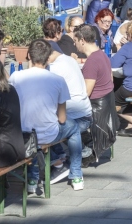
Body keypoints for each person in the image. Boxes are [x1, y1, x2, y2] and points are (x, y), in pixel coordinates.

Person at [9, 39, 85, 191]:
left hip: (23, 134)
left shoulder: (15, 77)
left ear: (29, 56)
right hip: (49, 134)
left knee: (32, 134)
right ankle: (76, 175)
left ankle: (32, 179)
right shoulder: (58, 80)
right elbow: (62, 118)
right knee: (74, 128)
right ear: (48, 57)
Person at [74, 25, 119, 163]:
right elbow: (110, 80)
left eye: (75, 40)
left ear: (82, 40)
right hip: (107, 106)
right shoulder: (102, 55)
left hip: (95, 109)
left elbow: (86, 92)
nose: (74, 44)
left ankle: (83, 153)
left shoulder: (92, 62)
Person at [47, 49, 93, 172]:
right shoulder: (69, 59)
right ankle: (64, 157)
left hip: (77, 117)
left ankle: (58, 162)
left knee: (45, 128)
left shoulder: (54, 68)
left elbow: (60, 116)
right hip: (86, 113)